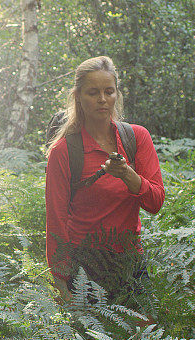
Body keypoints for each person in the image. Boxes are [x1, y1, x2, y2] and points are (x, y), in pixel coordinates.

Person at [45, 56, 165, 303]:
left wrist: (128, 175)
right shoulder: (64, 151)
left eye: (109, 91)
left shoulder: (137, 138)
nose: (102, 99)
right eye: (93, 92)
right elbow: (56, 221)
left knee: (144, 337)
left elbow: (155, 203)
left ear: (116, 94)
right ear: (78, 96)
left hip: (131, 262)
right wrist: (59, 280)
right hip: (83, 268)